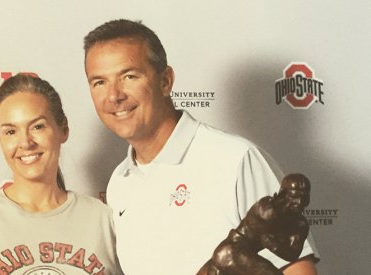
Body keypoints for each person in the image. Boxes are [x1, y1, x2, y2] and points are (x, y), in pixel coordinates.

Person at [83, 19, 318, 275]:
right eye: (99, 82)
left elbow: (298, 269)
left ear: (165, 81)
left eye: (129, 76)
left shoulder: (236, 159)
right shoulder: (120, 182)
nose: (115, 95)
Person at [0, 74, 123, 275]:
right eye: (10, 132)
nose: (25, 142)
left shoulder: (102, 219)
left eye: (38, 127)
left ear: (63, 129)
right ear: (0, 140)